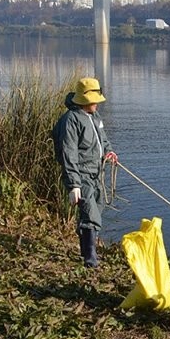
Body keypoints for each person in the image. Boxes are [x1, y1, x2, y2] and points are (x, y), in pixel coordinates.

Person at [53, 77, 118, 268]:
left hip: (97, 173)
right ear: (84, 100)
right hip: (81, 175)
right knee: (91, 214)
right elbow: (68, 152)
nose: (97, 103)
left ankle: (85, 251)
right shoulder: (70, 121)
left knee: (97, 208)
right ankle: (91, 260)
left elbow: (103, 140)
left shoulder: (95, 117)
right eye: (94, 100)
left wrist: (109, 152)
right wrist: (74, 185)